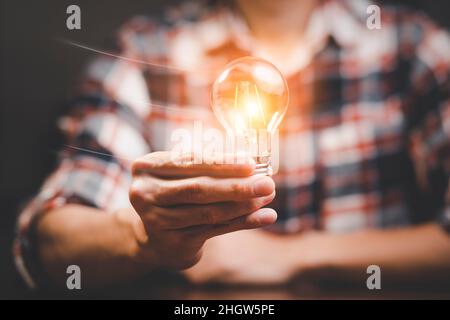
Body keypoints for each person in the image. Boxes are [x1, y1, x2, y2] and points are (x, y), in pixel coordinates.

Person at [14, 0, 450, 289]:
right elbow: (50, 244)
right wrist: (143, 236)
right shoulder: (144, 53)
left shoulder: (413, 51)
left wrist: (292, 254)